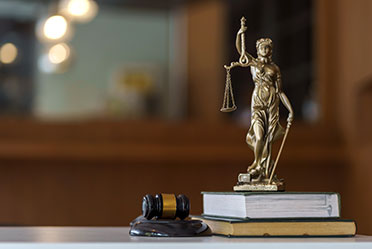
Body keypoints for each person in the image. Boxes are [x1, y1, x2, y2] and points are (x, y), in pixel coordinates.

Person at [235, 28, 294, 182]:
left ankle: (264, 170)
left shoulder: (274, 69)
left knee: (269, 139)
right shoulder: (253, 64)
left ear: (271, 50)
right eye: (262, 47)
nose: (265, 50)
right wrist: (240, 34)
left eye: (268, 47)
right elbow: (241, 51)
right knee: (259, 136)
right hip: (258, 106)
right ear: (258, 49)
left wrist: (290, 110)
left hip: (272, 106)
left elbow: (280, 92)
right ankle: (256, 164)